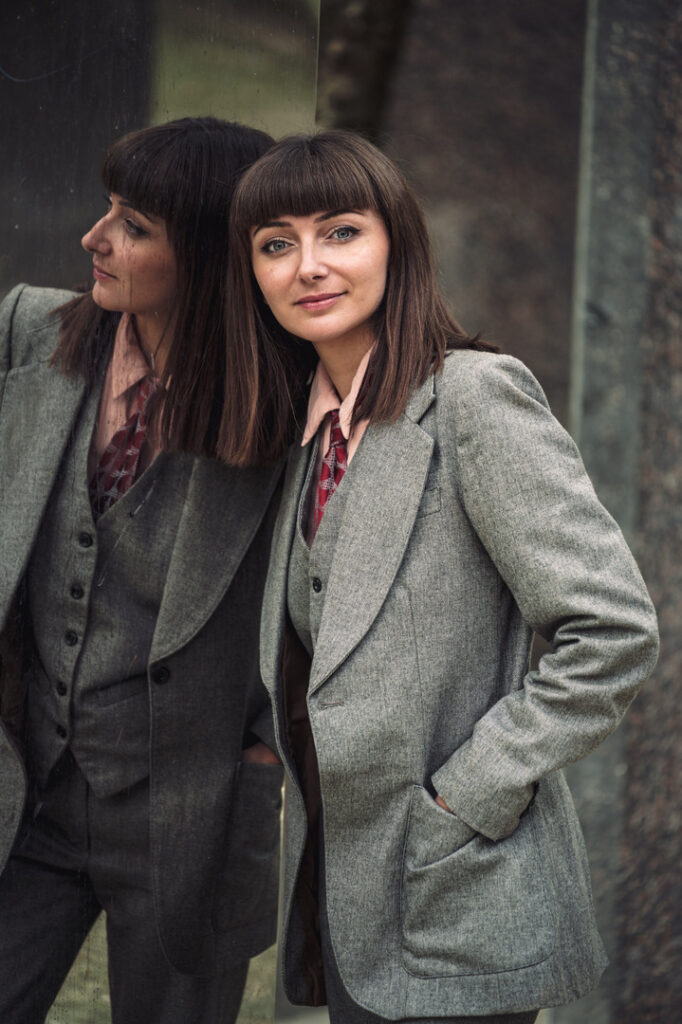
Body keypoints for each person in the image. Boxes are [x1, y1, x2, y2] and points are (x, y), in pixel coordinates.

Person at [217, 130, 660, 1024]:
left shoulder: (473, 398)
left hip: (458, 886)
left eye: (340, 232)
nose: (309, 265)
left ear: (397, 244)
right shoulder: (309, 440)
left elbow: (612, 632)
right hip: (343, 895)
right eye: (276, 244)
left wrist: (471, 790)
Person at [0, 117, 285, 1024]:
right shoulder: (26, 331)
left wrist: (269, 743)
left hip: (189, 815)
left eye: (133, 224)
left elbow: (337, 583)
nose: (95, 237)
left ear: (203, 254)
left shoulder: (280, 407)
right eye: (107, 209)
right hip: (25, 784)